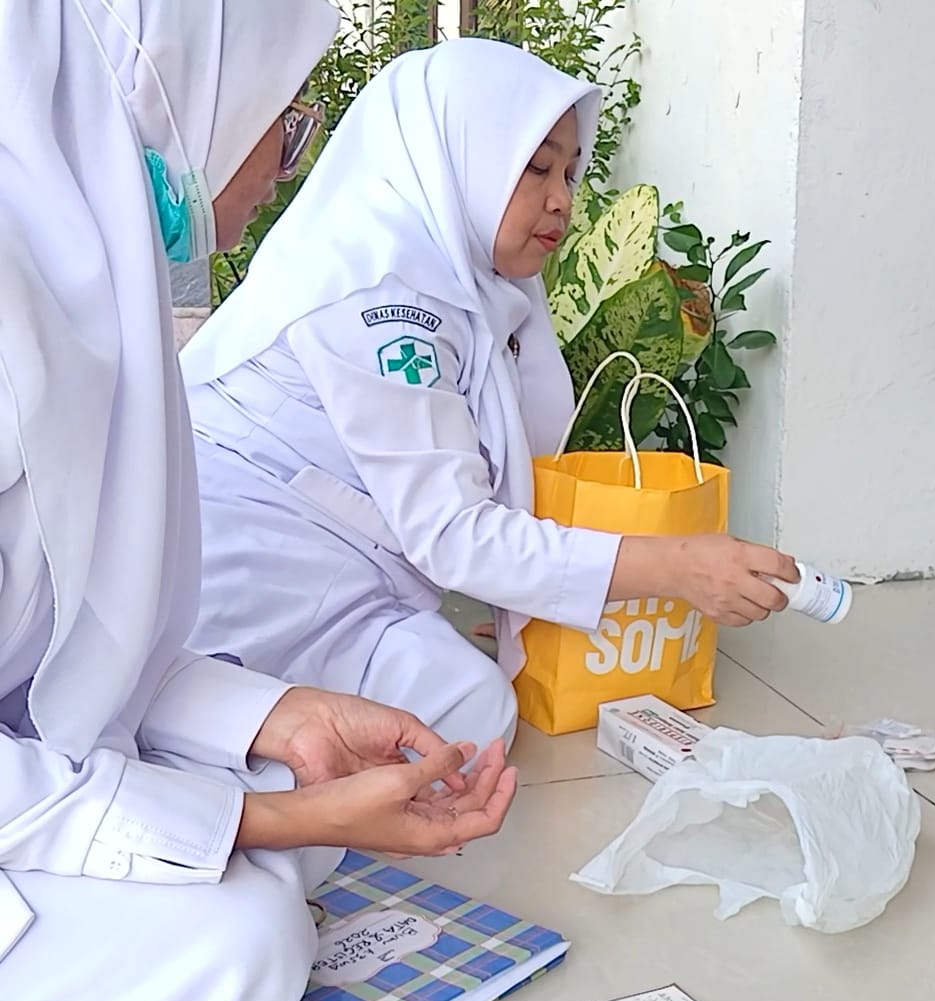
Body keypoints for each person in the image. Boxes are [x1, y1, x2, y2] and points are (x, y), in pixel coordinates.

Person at [0, 4, 518, 1001]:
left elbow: (54, 650)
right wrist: (255, 822)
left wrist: (280, 716)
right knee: (237, 950)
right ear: (173, 94)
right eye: (282, 120)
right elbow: (464, 538)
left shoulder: (80, 298)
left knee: (329, 773)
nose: (288, 166)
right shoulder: (366, 289)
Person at [180, 38, 799, 750]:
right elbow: (452, 532)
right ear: (459, 158)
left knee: (470, 712)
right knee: (454, 726)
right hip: (241, 586)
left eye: (570, 171)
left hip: (345, 582)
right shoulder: (381, 294)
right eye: (535, 169)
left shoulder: (461, 282)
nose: (562, 199)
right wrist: (678, 568)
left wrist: (518, 594)